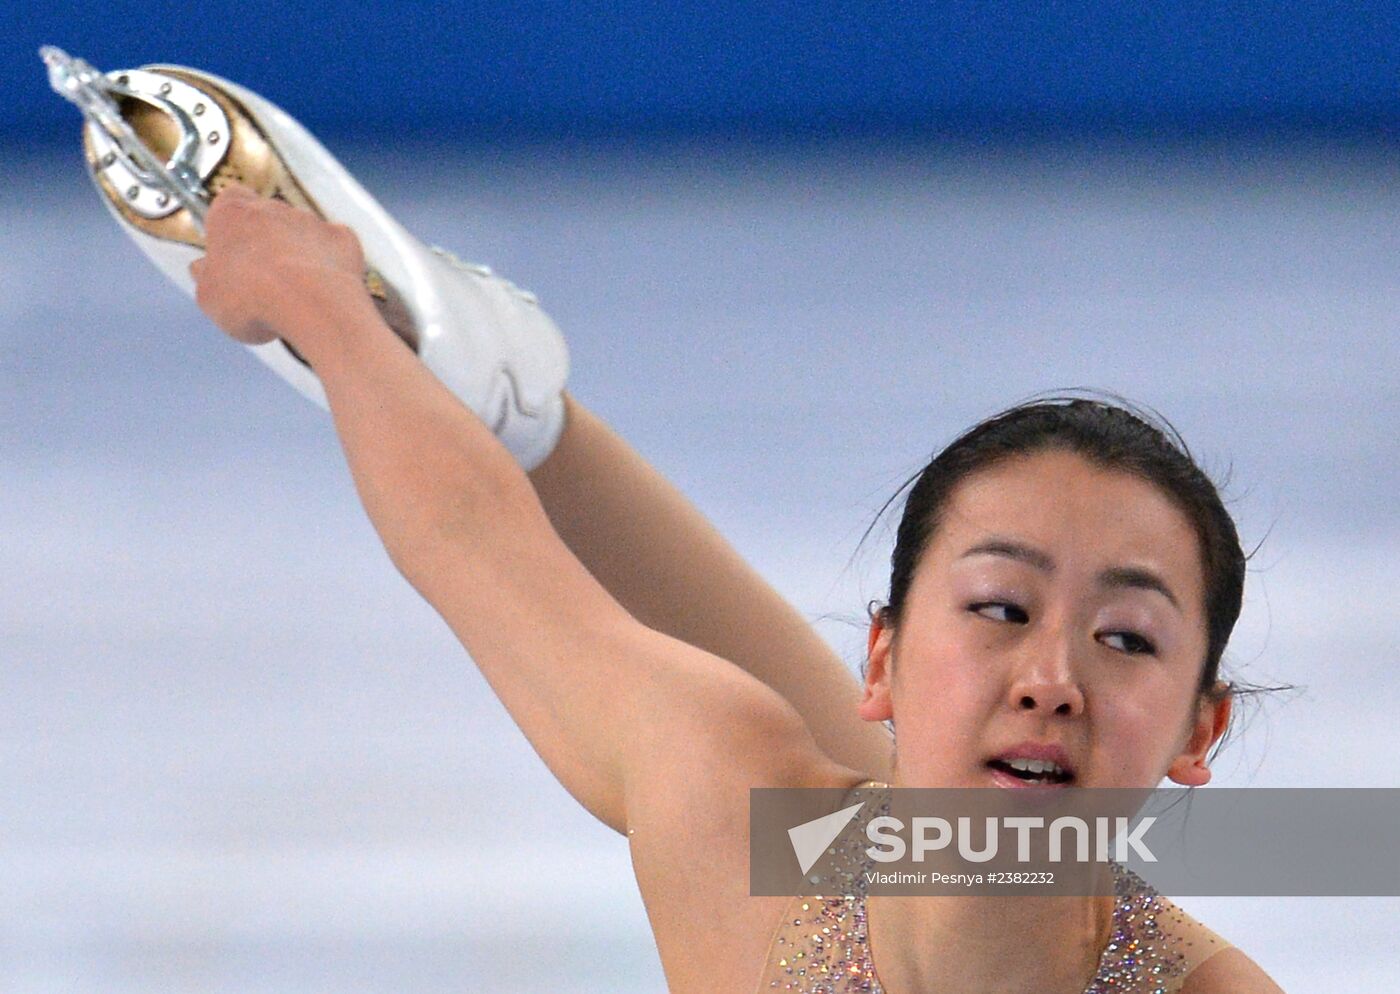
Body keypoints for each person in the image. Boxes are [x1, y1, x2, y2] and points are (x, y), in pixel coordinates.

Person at [186, 182, 1285, 993]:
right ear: (882, 655)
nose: (1052, 678)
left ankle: (523, 413)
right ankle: (524, 416)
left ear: (1202, 727)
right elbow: (472, 547)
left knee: (880, 800)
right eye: (1000, 607)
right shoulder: (724, 825)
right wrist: (316, 303)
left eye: (1126, 638)